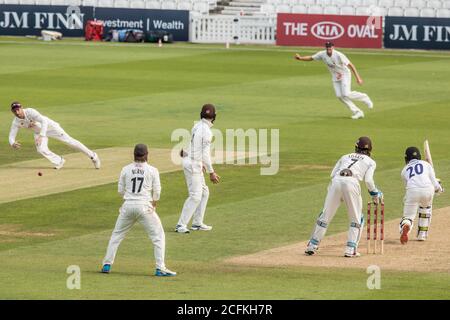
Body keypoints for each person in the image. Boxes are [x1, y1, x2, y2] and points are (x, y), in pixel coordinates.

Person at [101, 144, 176, 276]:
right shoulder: (153, 170)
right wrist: (154, 203)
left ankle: (107, 264)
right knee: (158, 236)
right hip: (144, 206)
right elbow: (157, 191)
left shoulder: (125, 169)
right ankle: (160, 268)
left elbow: (120, 190)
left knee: (116, 235)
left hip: (127, 206)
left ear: (134, 155)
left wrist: (129, 197)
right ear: (147, 154)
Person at [305, 137, 382, 257]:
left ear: (356, 147)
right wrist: (375, 193)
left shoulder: (345, 156)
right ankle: (350, 249)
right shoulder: (370, 162)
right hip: (352, 183)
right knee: (357, 218)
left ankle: (312, 245)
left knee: (325, 215)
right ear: (370, 149)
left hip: (336, 182)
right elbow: (368, 180)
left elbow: (332, 173)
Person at [8, 101, 100, 169]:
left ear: (21, 108)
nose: (17, 112)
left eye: (18, 109)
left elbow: (44, 121)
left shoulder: (30, 111)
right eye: (14, 111)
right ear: (12, 112)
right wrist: (12, 143)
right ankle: (59, 161)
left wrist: (42, 135)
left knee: (70, 142)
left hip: (51, 128)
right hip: (38, 133)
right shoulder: (16, 122)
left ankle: (93, 156)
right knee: (41, 149)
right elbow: (12, 135)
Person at [294, 42, 373, 120]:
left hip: (345, 74)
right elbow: (311, 58)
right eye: (327, 47)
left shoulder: (339, 55)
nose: (329, 48)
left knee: (346, 93)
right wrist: (300, 58)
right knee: (339, 96)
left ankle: (365, 97)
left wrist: (358, 78)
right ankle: (357, 112)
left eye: (330, 47)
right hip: (335, 76)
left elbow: (351, 65)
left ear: (333, 47)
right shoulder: (322, 54)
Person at [175, 104, 221, 234]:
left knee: (204, 192)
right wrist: (211, 171)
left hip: (193, 161)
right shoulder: (207, 131)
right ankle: (180, 225)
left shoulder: (197, 125)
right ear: (214, 117)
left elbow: (193, 144)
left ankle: (197, 223)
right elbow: (204, 153)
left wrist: (186, 152)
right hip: (193, 164)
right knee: (195, 196)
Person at [399, 147, 444, 244]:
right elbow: (435, 183)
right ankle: (422, 235)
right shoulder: (427, 164)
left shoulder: (404, 170)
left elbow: (407, 186)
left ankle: (406, 225)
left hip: (412, 191)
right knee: (426, 209)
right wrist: (439, 189)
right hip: (428, 190)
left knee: (408, 216)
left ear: (406, 158)